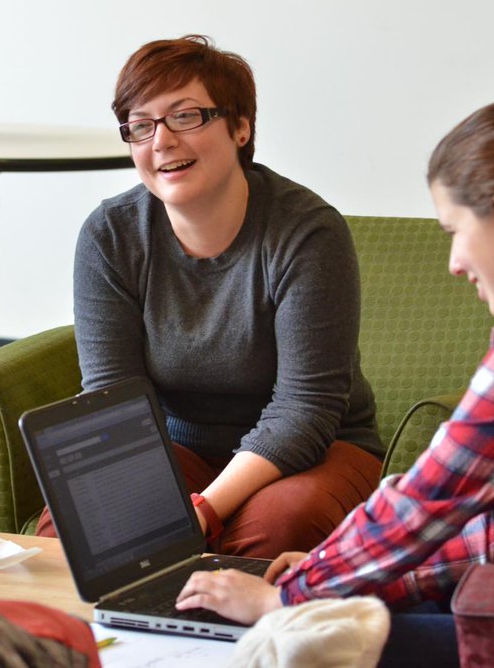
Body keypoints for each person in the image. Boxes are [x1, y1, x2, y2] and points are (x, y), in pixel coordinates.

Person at [175, 94, 494, 665]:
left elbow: (434, 495)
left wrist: (289, 598)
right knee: (358, 618)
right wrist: (331, 577)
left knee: (299, 646)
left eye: (455, 230)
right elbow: (487, 523)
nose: (454, 262)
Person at [36, 35, 385, 558]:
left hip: (317, 450)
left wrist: (203, 509)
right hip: (176, 446)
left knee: (280, 525)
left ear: (240, 128)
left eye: (186, 117)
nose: (161, 141)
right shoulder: (111, 234)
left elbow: (305, 408)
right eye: (141, 125)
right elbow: (113, 399)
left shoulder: (307, 232)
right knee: (84, 524)